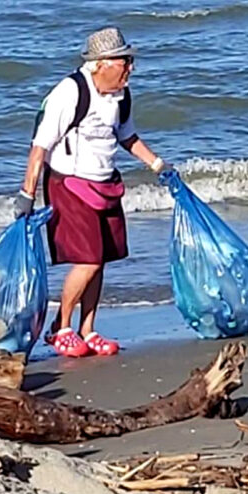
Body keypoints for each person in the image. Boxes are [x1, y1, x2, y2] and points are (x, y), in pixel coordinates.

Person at [15, 26, 168, 357]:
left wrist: (158, 165)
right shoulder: (69, 93)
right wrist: (26, 195)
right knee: (89, 259)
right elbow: (39, 147)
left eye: (130, 61)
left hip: (105, 183)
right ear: (100, 63)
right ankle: (62, 327)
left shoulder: (121, 95)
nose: (130, 68)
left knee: (103, 260)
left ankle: (87, 329)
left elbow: (127, 137)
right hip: (68, 184)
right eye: (124, 62)